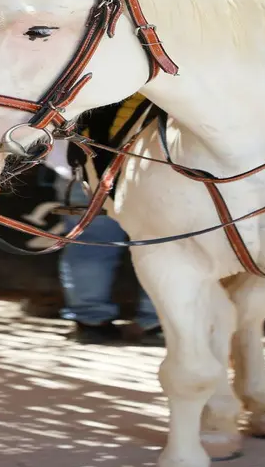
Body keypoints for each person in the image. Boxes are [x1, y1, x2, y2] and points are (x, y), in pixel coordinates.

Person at [48, 98, 163, 346]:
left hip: (83, 160)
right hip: (156, 164)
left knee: (90, 245)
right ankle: (158, 322)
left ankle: (91, 322)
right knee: (162, 245)